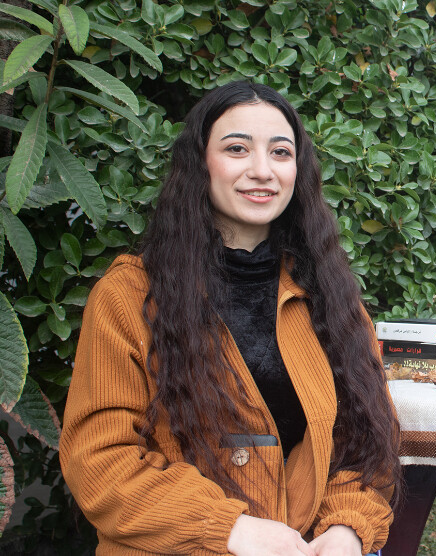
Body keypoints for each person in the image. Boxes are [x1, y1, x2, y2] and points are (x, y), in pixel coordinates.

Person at [60, 81, 401, 556]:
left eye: (280, 152)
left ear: (298, 171)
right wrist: (229, 529)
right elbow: (100, 463)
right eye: (237, 148)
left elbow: (367, 443)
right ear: (199, 163)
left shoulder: (330, 296)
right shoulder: (129, 297)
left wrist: (346, 528)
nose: (262, 170)